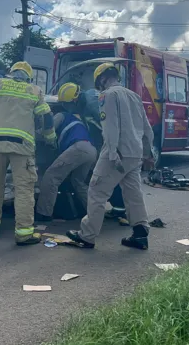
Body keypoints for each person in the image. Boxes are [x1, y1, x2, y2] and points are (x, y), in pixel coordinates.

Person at [65, 63, 155, 250]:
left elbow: (110, 127)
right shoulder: (135, 96)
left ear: (102, 79)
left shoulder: (107, 95)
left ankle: (87, 236)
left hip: (117, 153)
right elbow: (147, 128)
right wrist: (147, 153)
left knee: (96, 190)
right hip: (135, 153)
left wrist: (113, 153)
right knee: (133, 194)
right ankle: (140, 233)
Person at [0, 61, 57, 246]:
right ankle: (23, 233)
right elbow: (46, 118)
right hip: (21, 147)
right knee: (23, 189)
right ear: (29, 77)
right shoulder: (35, 91)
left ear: (11, 72)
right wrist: (50, 138)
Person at [35, 83, 97, 222]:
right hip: (91, 151)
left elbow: (48, 129)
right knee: (78, 181)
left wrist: (32, 133)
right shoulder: (79, 119)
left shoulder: (61, 115)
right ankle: (95, 214)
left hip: (78, 148)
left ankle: (43, 213)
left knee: (51, 176)